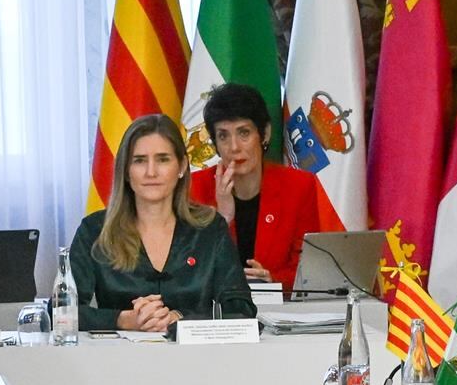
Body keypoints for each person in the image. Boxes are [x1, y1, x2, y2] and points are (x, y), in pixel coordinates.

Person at [69, 114, 254, 332]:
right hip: (117, 361)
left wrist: (183, 318)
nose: (151, 172)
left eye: (163, 159)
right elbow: (61, 311)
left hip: (198, 360)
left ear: (182, 166)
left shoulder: (210, 228)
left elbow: (241, 308)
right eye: (139, 160)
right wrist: (123, 320)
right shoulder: (95, 230)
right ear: (126, 171)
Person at [187, 82, 330, 289]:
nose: (234, 147)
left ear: (265, 134)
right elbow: (189, 268)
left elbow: (307, 268)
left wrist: (273, 281)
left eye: (243, 133)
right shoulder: (194, 188)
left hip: (279, 311)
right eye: (223, 136)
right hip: (214, 312)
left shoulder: (298, 186)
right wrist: (222, 219)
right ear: (215, 144)